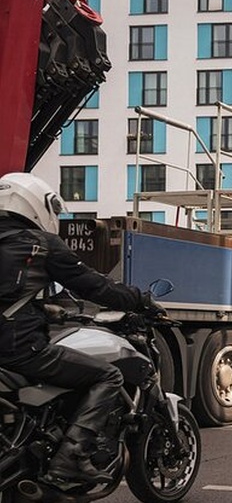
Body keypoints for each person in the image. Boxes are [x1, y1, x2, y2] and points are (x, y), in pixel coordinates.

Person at [0, 172, 162, 485]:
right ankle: (70, 458)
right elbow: (94, 286)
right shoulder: (41, 244)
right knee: (108, 375)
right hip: (19, 349)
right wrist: (141, 300)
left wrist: (42, 309)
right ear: (36, 204)